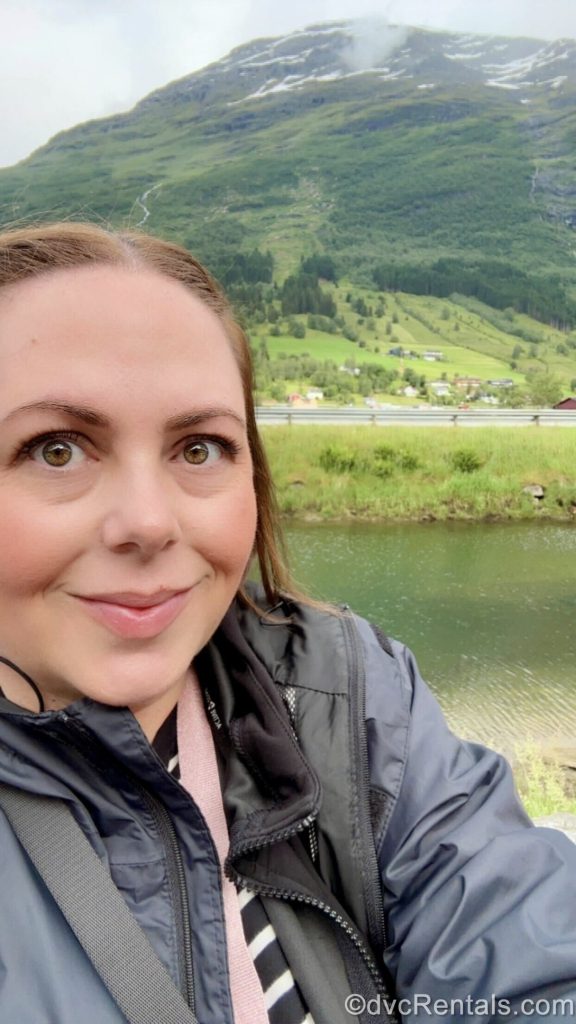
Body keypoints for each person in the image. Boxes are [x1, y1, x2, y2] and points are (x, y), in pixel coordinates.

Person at [0, 221, 574, 1024]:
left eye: (199, 448)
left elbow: (526, 963)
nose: (150, 523)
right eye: (56, 449)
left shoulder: (346, 697)